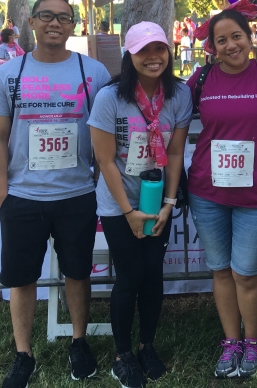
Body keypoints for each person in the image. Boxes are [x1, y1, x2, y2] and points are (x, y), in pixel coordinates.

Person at [0, 0, 111, 388]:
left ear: (74, 26)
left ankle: (79, 340)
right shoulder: (7, 74)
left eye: (64, 17)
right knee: (22, 279)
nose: (55, 23)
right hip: (23, 196)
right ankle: (23, 354)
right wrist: (4, 197)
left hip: (76, 195)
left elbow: (106, 133)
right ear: (32, 23)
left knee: (77, 272)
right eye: (46, 16)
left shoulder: (94, 73)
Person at [186, 2, 257, 379]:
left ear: (250, 38)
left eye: (237, 37)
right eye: (221, 40)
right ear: (211, 46)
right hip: (208, 191)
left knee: (247, 271)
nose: (231, 45)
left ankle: (254, 340)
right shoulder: (199, 80)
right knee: (221, 270)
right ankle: (231, 341)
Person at [89, 22, 193, 388]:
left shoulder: (179, 94)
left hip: (157, 198)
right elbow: (104, 160)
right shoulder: (110, 98)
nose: (153, 58)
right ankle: (122, 354)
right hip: (120, 203)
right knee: (130, 276)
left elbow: (177, 151)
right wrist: (128, 212)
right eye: (143, 51)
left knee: (153, 275)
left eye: (160, 49)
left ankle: (147, 344)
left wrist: (167, 203)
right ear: (129, 56)